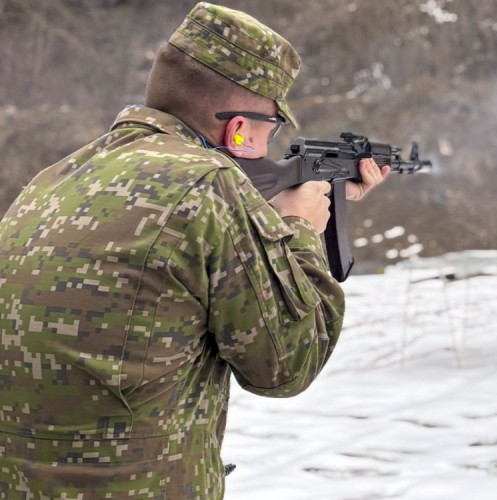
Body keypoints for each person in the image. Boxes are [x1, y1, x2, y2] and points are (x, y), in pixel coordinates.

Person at [0, 2, 389, 498]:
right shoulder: (210, 185)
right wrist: (299, 229)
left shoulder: (54, 180)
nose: (272, 146)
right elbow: (288, 365)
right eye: (272, 127)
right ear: (239, 128)